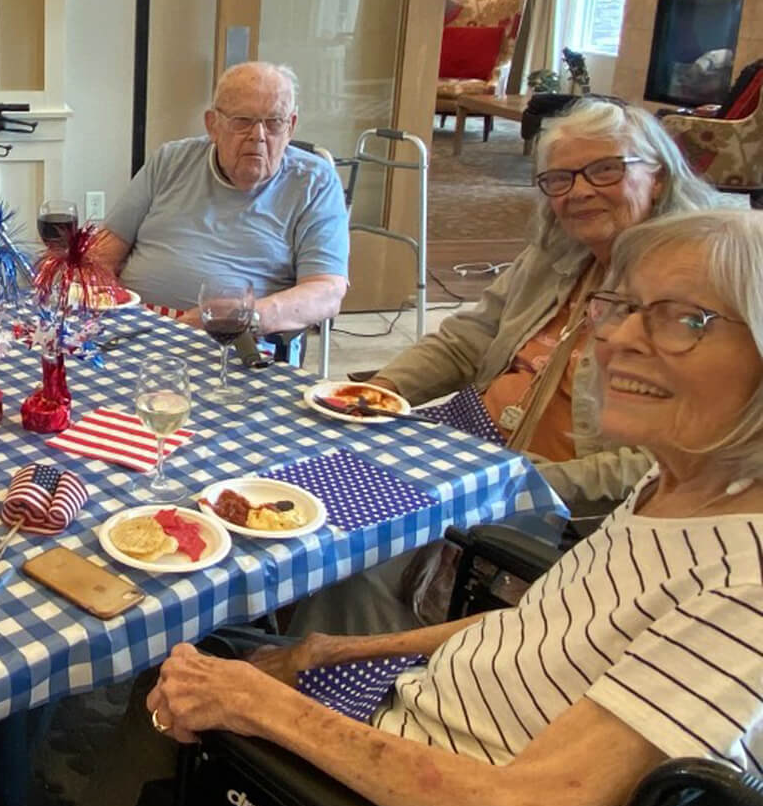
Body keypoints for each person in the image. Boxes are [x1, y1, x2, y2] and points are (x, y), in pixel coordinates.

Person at [0, 207, 763, 806]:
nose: (622, 339)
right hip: (426, 716)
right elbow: (538, 624)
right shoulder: (680, 493)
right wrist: (326, 652)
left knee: (184, 689)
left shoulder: (747, 584)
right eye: (621, 308)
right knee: (245, 649)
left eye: (685, 320)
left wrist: (257, 701)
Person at [288, 97, 720, 637]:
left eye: (606, 169)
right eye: (559, 179)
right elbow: (466, 339)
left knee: (357, 558)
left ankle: (357, 691)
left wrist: (512, 480)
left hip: (549, 496)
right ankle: (272, 646)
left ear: (657, 177)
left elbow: (661, 466)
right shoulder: (556, 253)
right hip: (472, 444)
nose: (580, 191)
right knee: (309, 482)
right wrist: (377, 392)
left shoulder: (697, 297)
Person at [92, 62, 348, 336]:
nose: (259, 137)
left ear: (291, 126)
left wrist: (244, 316)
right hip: (133, 326)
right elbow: (104, 251)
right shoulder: (171, 161)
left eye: (274, 122)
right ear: (212, 125)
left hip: (237, 339)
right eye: (243, 121)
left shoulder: (315, 183)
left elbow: (327, 291)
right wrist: (104, 310)